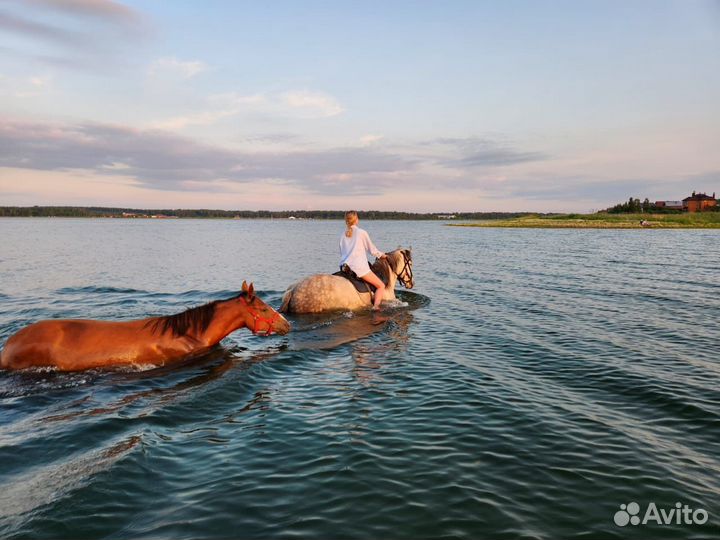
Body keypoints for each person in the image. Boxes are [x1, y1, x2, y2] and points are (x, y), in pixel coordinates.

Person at [339, 210, 387, 310]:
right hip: (358, 268)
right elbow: (372, 250)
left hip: (344, 267)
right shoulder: (361, 232)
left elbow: (342, 252)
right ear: (356, 220)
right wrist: (382, 255)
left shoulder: (343, 235)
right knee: (381, 286)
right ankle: (376, 307)